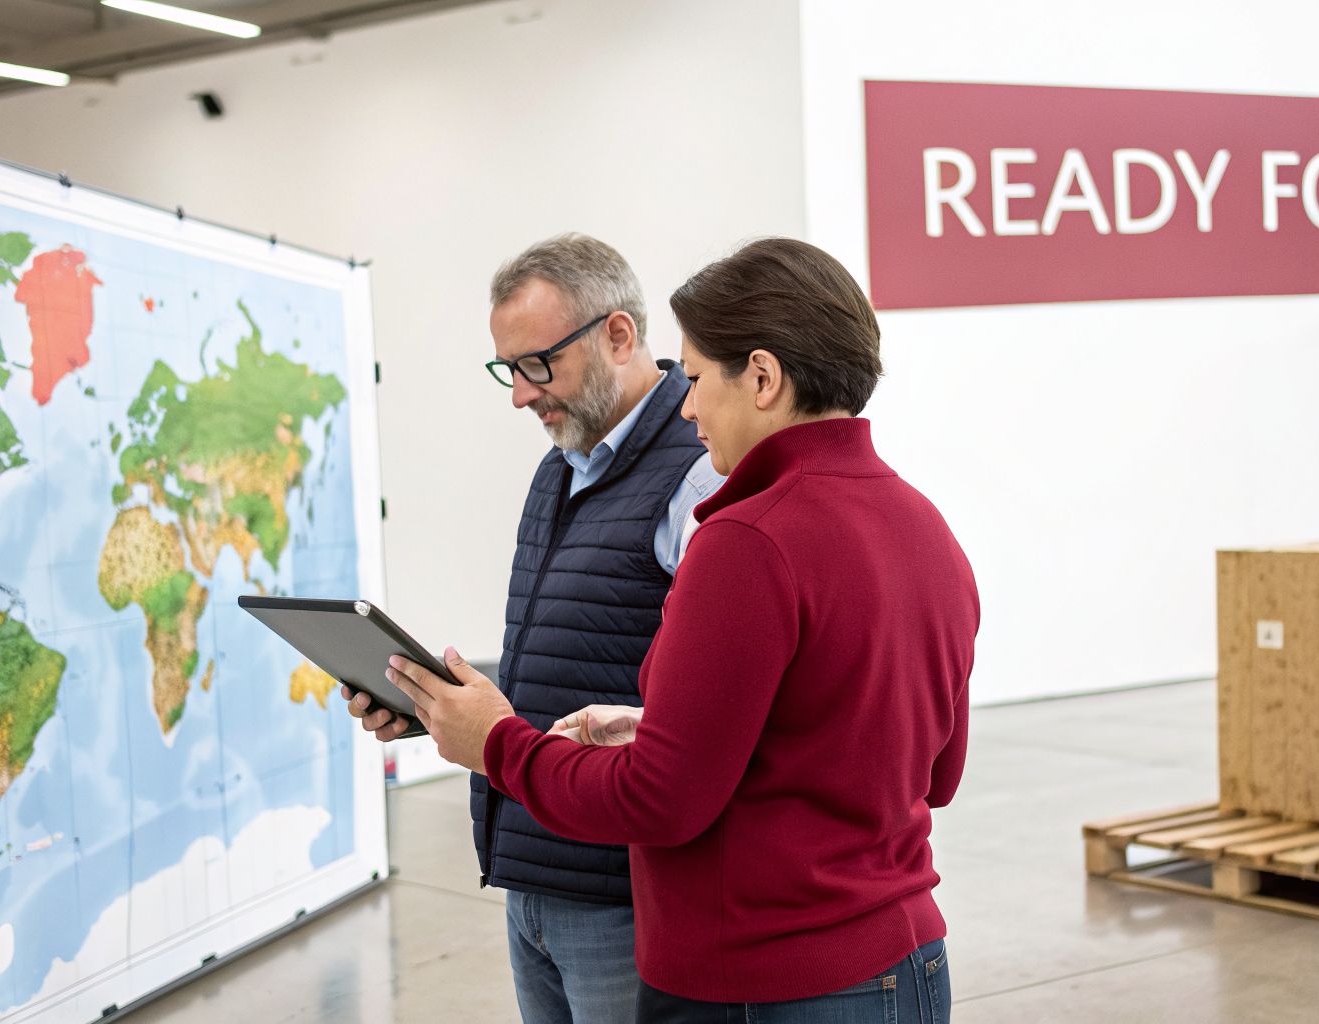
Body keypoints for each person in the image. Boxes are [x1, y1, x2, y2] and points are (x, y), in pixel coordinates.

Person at [384, 237, 979, 1022]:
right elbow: (932, 772)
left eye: (696, 379)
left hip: (773, 985)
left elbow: (661, 802)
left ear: (761, 377)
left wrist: (497, 744)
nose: (688, 406)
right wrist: (669, 729)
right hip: (903, 962)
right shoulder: (924, 526)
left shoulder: (747, 538)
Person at [344, 233, 723, 1024]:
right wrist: (436, 707)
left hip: (623, 895)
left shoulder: (698, 475)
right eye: (507, 370)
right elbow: (575, 657)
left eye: (537, 365)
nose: (520, 395)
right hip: (532, 874)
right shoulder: (560, 468)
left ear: (617, 335)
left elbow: (708, 710)